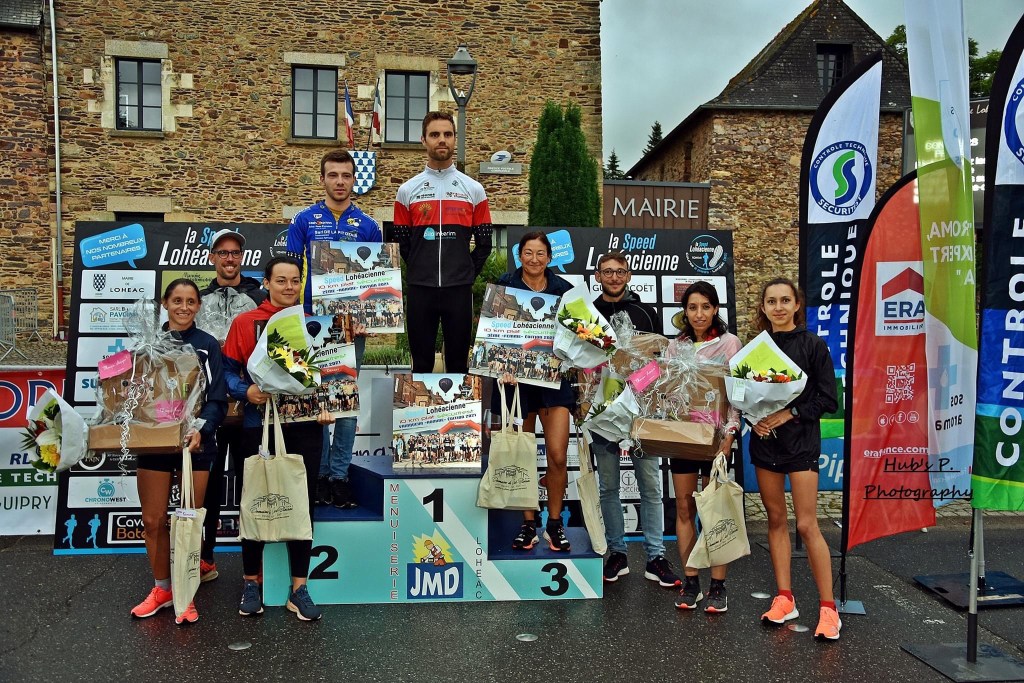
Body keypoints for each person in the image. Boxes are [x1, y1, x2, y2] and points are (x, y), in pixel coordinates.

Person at [222, 256, 327, 621]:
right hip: (258, 424)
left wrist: (329, 404)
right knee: (255, 500)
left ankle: (299, 589)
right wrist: (245, 391)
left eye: (294, 280)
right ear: (265, 283)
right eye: (280, 280)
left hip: (306, 425)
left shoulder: (313, 322)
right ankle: (251, 582)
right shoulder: (245, 322)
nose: (288, 287)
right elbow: (225, 373)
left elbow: (331, 372)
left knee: (302, 504)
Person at [286, 149, 382, 510]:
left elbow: (376, 278)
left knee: (344, 401)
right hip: (312, 325)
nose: (340, 182)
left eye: (346, 175)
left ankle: (338, 477)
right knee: (314, 399)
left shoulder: (368, 225)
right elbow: (291, 273)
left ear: (354, 180)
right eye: (333, 175)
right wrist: (295, 318)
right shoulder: (303, 220)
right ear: (322, 178)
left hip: (352, 328)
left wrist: (370, 317)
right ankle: (318, 474)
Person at [131, 278, 227, 625]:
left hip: (195, 445)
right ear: (165, 304)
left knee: (187, 523)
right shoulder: (148, 344)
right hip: (155, 442)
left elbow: (217, 398)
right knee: (153, 521)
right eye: (177, 300)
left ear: (198, 306)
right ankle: (162, 589)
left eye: (190, 301)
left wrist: (202, 429)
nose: (184, 307)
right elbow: (132, 396)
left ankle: (185, 593)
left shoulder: (207, 345)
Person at [750, 277, 840, 640]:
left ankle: (829, 609)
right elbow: (743, 395)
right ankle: (785, 598)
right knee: (775, 520)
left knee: (806, 525)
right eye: (771, 301)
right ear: (763, 307)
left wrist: (790, 413)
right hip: (765, 444)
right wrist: (753, 418)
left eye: (785, 300)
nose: (779, 307)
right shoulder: (756, 347)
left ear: (797, 305)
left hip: (801, 444)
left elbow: (829, 399)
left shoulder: (813, 344)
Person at [589, 252, 680, 588]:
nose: (614, 277)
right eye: (607, 272)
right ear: (597, 276)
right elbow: (582, 362)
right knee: (609, 487)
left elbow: (659, 361)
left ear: (628, 276)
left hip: (642, 409)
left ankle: (656, 557)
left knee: (651, 487)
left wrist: (637, 383)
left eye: (620, 272)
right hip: (603, 412)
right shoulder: (590, 313)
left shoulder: (646, 312)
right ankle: (617, 553)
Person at [393, 111, 492, 373]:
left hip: (458, 290)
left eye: (447, 134)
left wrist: (464, 272)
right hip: (420, 288)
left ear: (455, 139)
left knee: (458, 365)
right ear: (423, 140)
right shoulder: (406, 190)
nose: (442, 140)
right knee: (421, 365)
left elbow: (484, 243)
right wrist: (420, 267)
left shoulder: (474, 189)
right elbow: (403, 243)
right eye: (435, 134)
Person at [494, 232, 574, 552]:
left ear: (550, 257)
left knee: (557, 455)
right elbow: (493, 334)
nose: (534, 259)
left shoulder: (565, 291)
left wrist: (568, 356)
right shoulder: (504, 285)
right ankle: (529, 523)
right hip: (517, 382)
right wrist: (502, 364)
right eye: (528, 253)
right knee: (522, 455)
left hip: (554, 380)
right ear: (520, 256)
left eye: (541, 254)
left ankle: (554, 524)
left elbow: (578, 338)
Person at [666, 281, 742, 612]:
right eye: (692, 307)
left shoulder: (730, 344)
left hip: (716, 441)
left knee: (715, 511)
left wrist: (729, 436)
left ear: (715, 309)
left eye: (705, 307)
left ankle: (718, 586)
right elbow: (666, 392)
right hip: (683, 438)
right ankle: (691, 580)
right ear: (685, 311)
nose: (699, 314)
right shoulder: (675, 347)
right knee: (685, 508)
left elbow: (737, 396)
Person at [198, 228, 267, 584]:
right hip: (208, 407)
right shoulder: (199, 299)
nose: (229, 258)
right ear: (212, 257)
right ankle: (205, 558)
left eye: (235, 253)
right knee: (207, 486)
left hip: (248, 407)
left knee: (250, 487)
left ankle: (252, 568)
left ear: (242, 257)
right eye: (222, 253)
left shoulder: (259, 298)